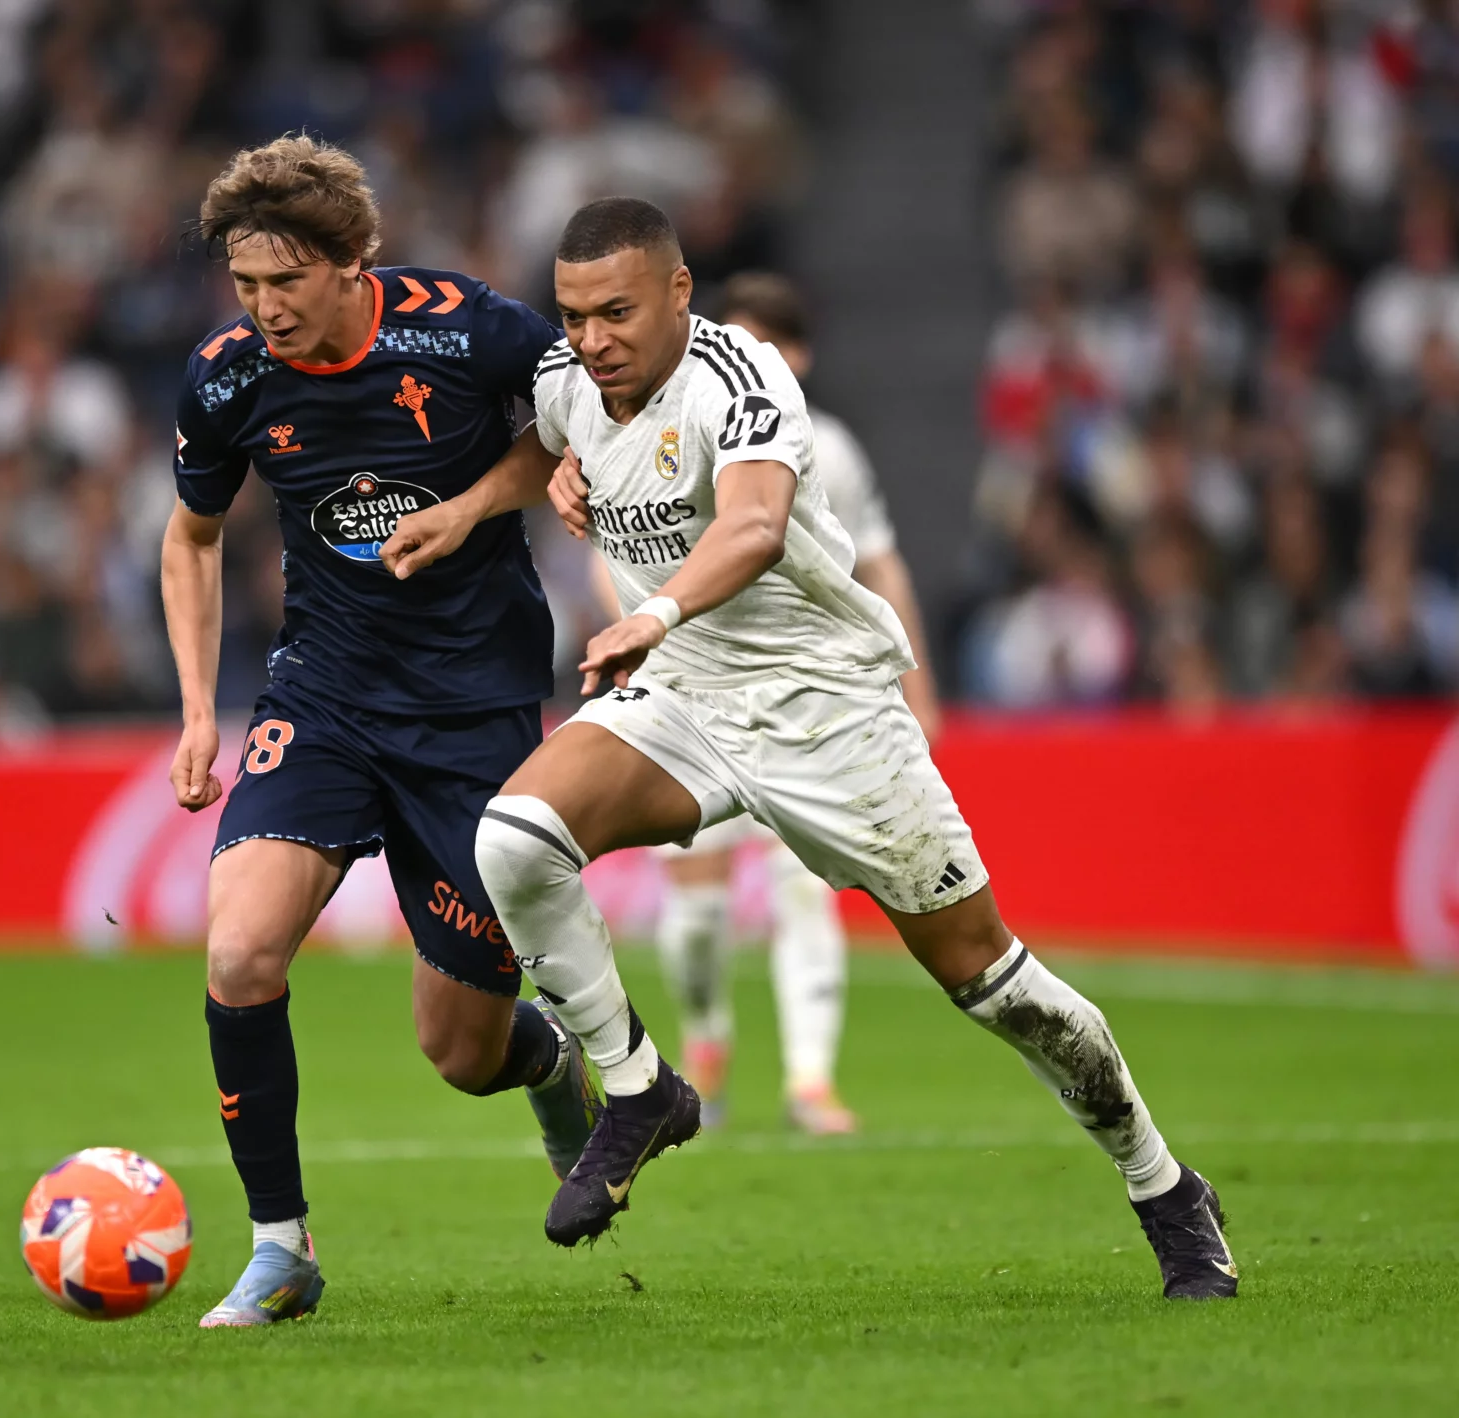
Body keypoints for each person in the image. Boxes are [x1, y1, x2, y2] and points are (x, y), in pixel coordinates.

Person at [380, 198, 1238, 1300]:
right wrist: (470, 507)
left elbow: (751, 525)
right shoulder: (569, 380)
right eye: (575, 313)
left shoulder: (742, 379)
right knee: (516, 839)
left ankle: (1164, 1185)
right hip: (690, 699)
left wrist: (655, 613)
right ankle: (639, 1086)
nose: (591, 337)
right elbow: (544, 437)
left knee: (993, 983)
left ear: (681, 294)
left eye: (616, 312)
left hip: (827, 710)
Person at [162, 136, 595, 1328]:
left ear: (356, 261)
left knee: (460, 1050)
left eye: (284, 284)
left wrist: (476, 503)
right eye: (244, 287)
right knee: (241, 951)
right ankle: (280, 1246)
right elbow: (191, 538)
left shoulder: (466, 330)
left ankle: (547, 1057)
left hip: (474, 713)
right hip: (326, 696)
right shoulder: (228, 376)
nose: (262, 312)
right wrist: (202, 707)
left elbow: (576, 416)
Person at [640, 272, 943, 1135]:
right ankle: (705, 1039)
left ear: (796, 355)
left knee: (806, 891)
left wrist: (917, 688)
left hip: (807, 698)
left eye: (760, 342)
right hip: (692, 697)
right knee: (696, 919)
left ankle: (811, 1079)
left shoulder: (833, 449)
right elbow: (618, 554)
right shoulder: (667, 428)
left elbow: (880, 563)